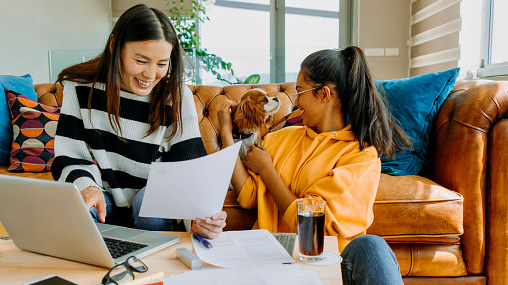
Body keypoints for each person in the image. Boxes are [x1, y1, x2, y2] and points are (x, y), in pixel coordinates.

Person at [218, 46, 411, 283]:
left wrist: (267, 171)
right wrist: (226, 133)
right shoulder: (280, 139)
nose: (296, 102)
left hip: (329, 268)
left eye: (300, 91)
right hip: (277, 266)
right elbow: (248, 196)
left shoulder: (361, 157)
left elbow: (315, 227)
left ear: (324, 94)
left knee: (370, 246)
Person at [52, 4, 225, 239]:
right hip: (105, 198)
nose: (150, 74)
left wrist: (200, 219)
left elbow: (189, 170)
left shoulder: (176, 95)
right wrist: (87, 187)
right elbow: (71, 155)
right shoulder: (80, 86)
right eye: (141, 61)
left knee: (146, 203)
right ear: (114, 45)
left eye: (162, 64)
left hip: (154, 207)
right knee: (79, 208)